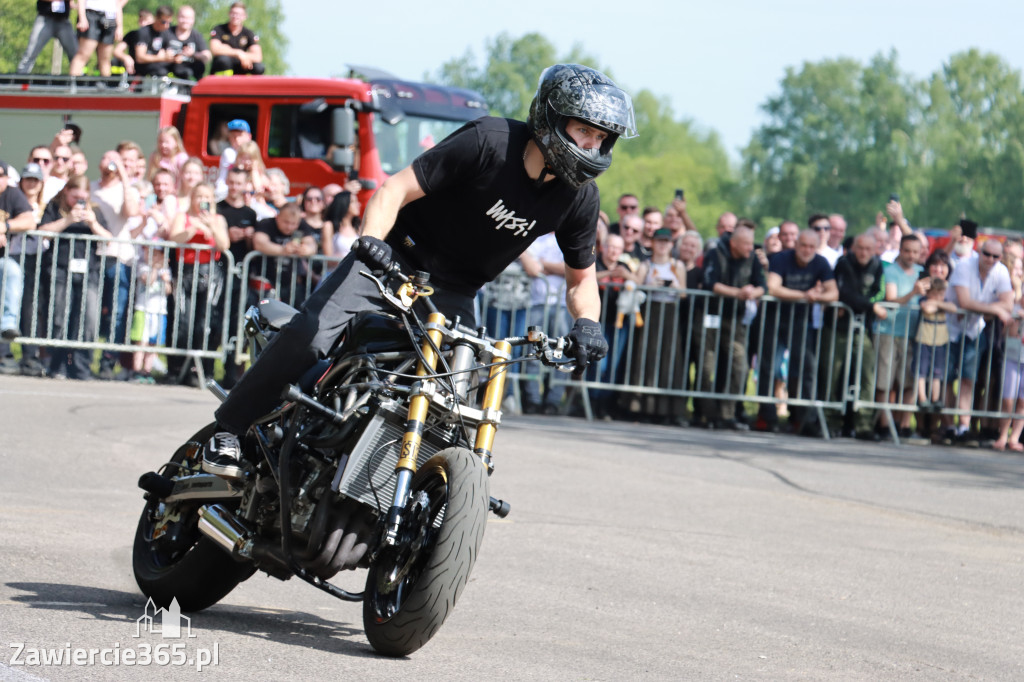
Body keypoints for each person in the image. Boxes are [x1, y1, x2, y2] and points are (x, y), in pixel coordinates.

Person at [200, 63, 635, 476]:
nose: (592, 145)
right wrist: (371, 241)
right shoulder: (488, 141)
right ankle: (229, 430)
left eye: (601, 137)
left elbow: (581, 280)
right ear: (550, 118)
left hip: (456, 293)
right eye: (583, 130)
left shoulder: (580, 198)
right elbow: (395, 188)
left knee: (457, 398)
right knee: (314, 334)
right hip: (391, 260)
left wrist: (588, 325)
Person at [755, 229, 838, 435]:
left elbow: (833, 292)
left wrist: (815, 297)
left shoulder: (820, 262)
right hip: (774, 318)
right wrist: (804, 295)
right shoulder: (781, 258)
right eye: (803, 246)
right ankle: (767, 416)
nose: (807, 250)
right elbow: (773, 288)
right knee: (769, 368)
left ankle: (804, 418)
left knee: (805, 368)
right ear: (796, 245)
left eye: (811, 246)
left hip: (800, 321)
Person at [37, 175, 112, 379]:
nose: (78, 201)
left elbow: (110, 239)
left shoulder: (94, 210)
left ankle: (81, 366)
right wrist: (68, 219)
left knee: (88, 319)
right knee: (59, 317)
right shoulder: (55, 207)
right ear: (66, 192)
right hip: (60, 269)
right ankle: (57, 364)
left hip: (89, 272)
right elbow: (42, 231)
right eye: (74, 196)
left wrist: (93, 223)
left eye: (82, 197)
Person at [943, 238, 1013, 444]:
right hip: (950, 329)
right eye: (986, 254)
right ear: (979, 252)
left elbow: (1008, 304)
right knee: (947, 379)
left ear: (1000, 257)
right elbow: (964, 302)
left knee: (968, 380)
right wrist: (995, 308)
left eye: (995, 256)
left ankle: (963, 427)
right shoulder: (964, 267)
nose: (990, 259)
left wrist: (997, 308)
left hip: (974, 330)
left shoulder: (1001, 272)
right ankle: (948, 426)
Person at [700, 224, 764, 430]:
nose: (749, 248)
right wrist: (738, 292)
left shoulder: (752, 257)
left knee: (739, 366)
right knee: (706, 366)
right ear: (733, 243)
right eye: (745, 244)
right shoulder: (715, 253)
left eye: (751, 244)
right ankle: (707, 414)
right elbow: (711, 283)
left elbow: (763, 284)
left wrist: (753, 292)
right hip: (711, 316)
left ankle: (728, 414)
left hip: (736, 319)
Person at [167, 183, 230, 385]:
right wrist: (193, 227)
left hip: (210, 274)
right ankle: (177, 369)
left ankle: (202, 370)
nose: (203, 200)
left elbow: (224, 245)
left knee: (206, 324)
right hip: (185, 272)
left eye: (207, 197)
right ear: (192, 198)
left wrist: (210, 226)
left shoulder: (218, 219)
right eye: (199, 196)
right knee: (182, 322)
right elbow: (175, 238)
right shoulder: (182, 217)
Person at [624, 227, 687, 425]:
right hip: (650, 311)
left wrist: (673, 286)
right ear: (653, 243)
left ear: (671, 244)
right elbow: (637, 283)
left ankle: (667, 409)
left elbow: (684, 292)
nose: (662, 244)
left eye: (666, 241)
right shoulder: (646, 264)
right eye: (659, 241)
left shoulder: (678, 265)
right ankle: (641, 406)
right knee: (646, 356)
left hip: (670, 312)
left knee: (670, 357)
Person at [827, 232, 886, 439]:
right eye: (860, 248)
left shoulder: (878, 266)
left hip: (864, 329)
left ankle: (863, 425)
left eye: (868, 249)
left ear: (874, 250)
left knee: (866, 377)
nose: (863, 253)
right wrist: (870, 306)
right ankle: (832, 421)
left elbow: (880, 292)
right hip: (840, 328)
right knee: (834, 374)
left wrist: (867, 305)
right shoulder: (843, 263)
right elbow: (845, 293)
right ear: (854, 248)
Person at [91, 150, 141, 380]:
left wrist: (121, 170)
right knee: (89, 311)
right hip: (93, 256)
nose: (109, 163)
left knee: (117, 313)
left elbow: (131, 212)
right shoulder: (91, 187)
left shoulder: (126, 189)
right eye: (106, 157)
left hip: (119, 257)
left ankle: (108, 362)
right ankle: (81, 359)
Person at [876, 234, 928, 439]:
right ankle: (884, 424)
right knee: (886, 381)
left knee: (908, 381)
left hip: (913, 332)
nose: (911, 255)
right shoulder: (890, 270)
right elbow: (891, 299)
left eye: (915, 252)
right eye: (907, 250)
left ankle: (904, 425)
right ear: (900, 250)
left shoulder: (921, 272)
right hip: (888, 330)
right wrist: (913, 293)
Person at [251, 202, 317, 307]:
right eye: (286, 222)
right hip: (266, 280)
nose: (290, 227)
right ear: (278, 217)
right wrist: (283, 250)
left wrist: (306, 249)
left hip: (290, 283)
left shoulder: (302, 225)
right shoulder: (267, 223)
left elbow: (312, 245)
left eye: (294, 224)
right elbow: (259, 243)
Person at [0, 162, 36, 349]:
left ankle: (7, 324)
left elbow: (30, 220)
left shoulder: (12, 194)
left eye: (0, 176)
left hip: (2, 258)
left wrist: (5, 227)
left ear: (7, 178)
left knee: (13, 271)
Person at [916, 276, 955, 440]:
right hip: (924, 340)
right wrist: (938, 304)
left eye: (941, 294)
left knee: (937, 373)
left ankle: (935, 399)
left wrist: (938, 303)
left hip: (940, 341)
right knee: (921, 371)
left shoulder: (942, 302)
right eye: (935, 294)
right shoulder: (924, 300)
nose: (939, 297)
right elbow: (927, 309)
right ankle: (923, 398)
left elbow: (953, 308)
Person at [129, 245, 172, 383]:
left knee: (153, 343)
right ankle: (136, 370)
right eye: (149, 253)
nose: (152, 257)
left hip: (159, 311)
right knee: (141, 342)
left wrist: (165, 279)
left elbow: (168, 290)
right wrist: (154, 268)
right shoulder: (143, 267)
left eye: (156, 255)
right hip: (144, 309)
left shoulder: (166, 271)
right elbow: (149, 281)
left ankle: (147, 371)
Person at [18, 1, 79, 75]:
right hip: (45, 19)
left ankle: (79, 82)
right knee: (31, 53)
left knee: (76, 55)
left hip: (63, 21)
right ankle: (21, 80)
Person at [209, 2, 265, 76]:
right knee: (223, 60)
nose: (235, 16)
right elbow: (215, 49)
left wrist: (244, 57)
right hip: (223, 69)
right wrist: (238, 53)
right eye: (233, 13)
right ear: (229, 13)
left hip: (242, 66)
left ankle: (251, 86)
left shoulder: (249, 33)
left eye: (239, 14)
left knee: (259, 67)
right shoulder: (219, 29)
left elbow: (258, 56)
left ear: (245, 16)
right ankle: (223, 84)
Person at [69, 0, 122, 77]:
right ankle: (72, 84)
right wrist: (82, 18)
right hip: (92, 15)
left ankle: (105, 84)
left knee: (105, 58)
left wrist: (119, 26)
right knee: (83, 54)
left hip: (110, 17)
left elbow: (118, 4)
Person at [166, 5, 211, 80]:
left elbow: (207, 56)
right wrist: (170, 57)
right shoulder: (167, 33)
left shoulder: (196, 35)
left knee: (199, 66)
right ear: (177, 17)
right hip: (170, 69)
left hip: (189, 71)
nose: (185, 21)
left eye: (189, 18)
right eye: (183, 17)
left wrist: (193, 54)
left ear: (193, 20)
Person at [133, 5, 175, 78]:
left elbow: (168, 52)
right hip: (144, 67)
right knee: (160, 70)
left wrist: (174, 57)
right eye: (164, 22)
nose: (167, 26)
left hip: (160, 64)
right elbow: (140, 58)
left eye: (169, 23)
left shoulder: (166, 33)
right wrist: (160, 58)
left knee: (182, 69)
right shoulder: (144, 32)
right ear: (156, 18)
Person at [214, 120, 252, 197]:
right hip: (224, 192)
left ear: (249, 136)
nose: (237, 139)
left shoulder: (252, 152)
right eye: (233, 136)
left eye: (240, 135)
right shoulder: (228, 152)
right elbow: (239, 169)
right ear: (229, 138)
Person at [111, 8, 152, 76]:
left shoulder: (159, 35)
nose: (143, 24)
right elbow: (117, 51)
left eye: (146, 21)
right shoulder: (132, 34)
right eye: (141, 21)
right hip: (134, 70)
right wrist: (126, 57)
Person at [322, 190, 360, 260]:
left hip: (354, 270)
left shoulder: (358, 228)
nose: (358, 204)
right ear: (344, 203)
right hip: (336, 269)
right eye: (353, 202)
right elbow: (328, 257)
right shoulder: (329, 226)